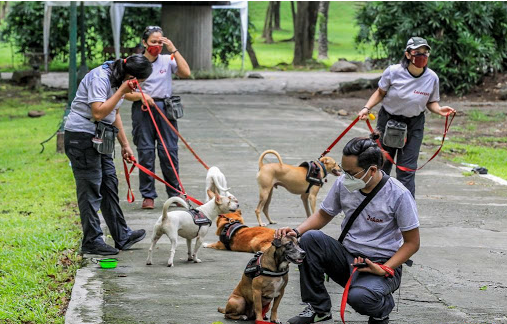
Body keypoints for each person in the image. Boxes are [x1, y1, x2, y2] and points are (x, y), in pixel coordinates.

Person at [276, 135, 420, 324]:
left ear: (372, 170)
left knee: (360, 298)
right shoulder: (344, 183)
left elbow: (412, 243)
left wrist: (384, 268)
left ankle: (382, 309)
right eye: (345, 171)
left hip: (381, 264)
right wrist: (296, 231)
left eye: (352, 173)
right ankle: (319, 308)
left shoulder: (398, 195)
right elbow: (323, 215)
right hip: (347, 258)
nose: (346, 177)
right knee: (310, 239)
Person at [64, 54, 152, 255]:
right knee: (91, 189)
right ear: (132, 76)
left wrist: (125, 145)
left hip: (102, 136)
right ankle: (91, 241)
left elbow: (114, 114)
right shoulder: (100, 78)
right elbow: (98, 112)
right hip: (82, 137)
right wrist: (122, 90)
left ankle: (122, 235)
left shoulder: (118, 80)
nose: (139, 87)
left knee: (109, 183)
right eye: (139, 82)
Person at [358, 36, 456, 197]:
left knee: (407, 169)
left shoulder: (432, 77)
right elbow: (380, 92)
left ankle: (406, 209)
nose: (422, 56)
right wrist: (366, 108)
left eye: (425, 53)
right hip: (387, 122)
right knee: (381, 166)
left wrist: (439, 110)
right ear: (408, 54)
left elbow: (431, 102)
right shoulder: (394, 71)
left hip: (414, 124)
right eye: (418, 52)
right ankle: (373, 203)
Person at [125, 26, 191, 209]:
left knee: (169, 151)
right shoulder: (135, 63)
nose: (157, 45)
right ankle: (148, 195)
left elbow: (186, 73)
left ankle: (175, 193)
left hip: (165, 109)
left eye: (160, 42)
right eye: (153, 42)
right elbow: (124, 92)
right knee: (145, 152)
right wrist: (141, 96)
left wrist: (173, 49)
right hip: (143, 109)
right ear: (144, 43)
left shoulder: (167, 59)